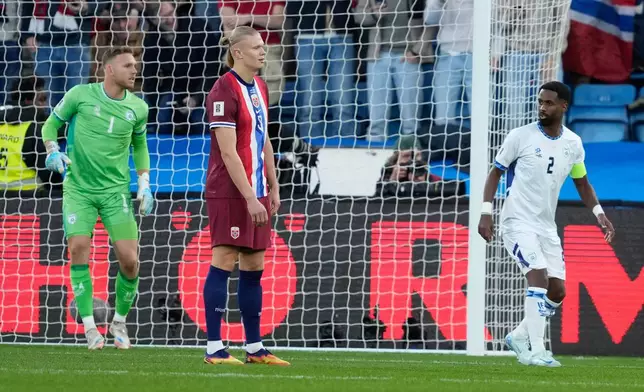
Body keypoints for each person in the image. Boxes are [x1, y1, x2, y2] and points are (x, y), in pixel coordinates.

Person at [478, 81, 615, 367]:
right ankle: (536, 350)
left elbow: (582, 183)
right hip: (517, 221)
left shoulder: (573, 143)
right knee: (537, 279)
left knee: (558, 291)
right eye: (540, 102)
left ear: (564, 105)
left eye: (549, 103)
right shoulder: (521, 136)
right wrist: (486, 212)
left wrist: (599, 213)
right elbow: (495, 173)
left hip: (545, 226)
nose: (543, 107)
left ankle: (518, 335)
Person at [41, 47, 154, 350]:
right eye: (128, 65)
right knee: (78, 248)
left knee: (130, 262)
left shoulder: (138, 108)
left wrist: (144, 182)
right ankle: (90, 328)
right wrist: (53, 150)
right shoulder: (80, 94)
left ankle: (118, 322)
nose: (134, 70)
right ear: (108, 69)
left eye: (136, 65)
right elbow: (50, 125)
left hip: (115, 191)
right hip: (78, 188)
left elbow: (140, 146)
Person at [203, 26, 288, 366]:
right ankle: (214, 348)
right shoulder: (224, 88)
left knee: (254, 264)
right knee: (224, 259)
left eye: (263, 46)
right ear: (237, 52)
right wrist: (251, 197)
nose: (262, 51)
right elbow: (228, 152)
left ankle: (254, 347)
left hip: (257, 190)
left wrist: (273, 185)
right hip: (231, 192)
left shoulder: (262, 88)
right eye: (255, 47)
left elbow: (262, 140)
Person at [0, 76, 63, 195]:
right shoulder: (33, 130)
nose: (45, 104)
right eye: (42, 99)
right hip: (28, 198)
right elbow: (48, 172)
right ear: (28, 101)